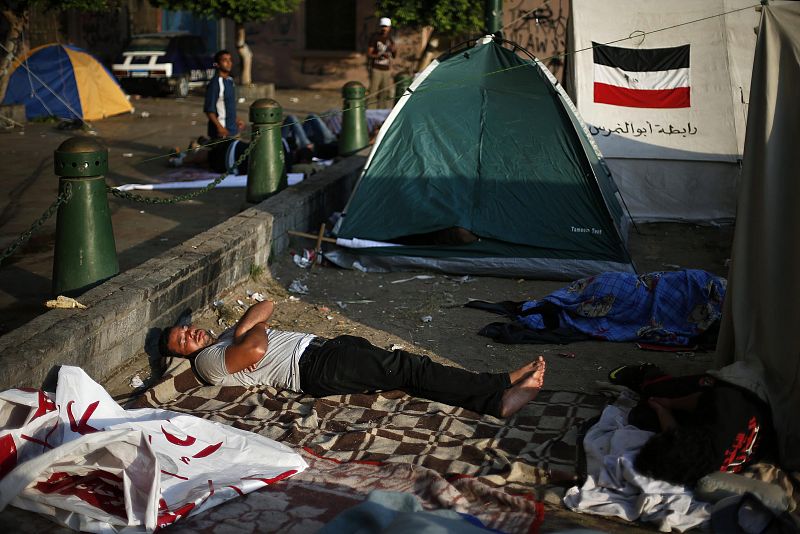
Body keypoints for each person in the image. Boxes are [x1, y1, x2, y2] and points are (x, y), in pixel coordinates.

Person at [160, 300, 547, 418]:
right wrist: (248, 331)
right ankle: (499, 386)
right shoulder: (208, 362)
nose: (191, 334)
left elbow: (267, 305)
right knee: (411, 367)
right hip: (313, 368)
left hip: (325, 351)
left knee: (408, 375)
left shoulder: (225, 337)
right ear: (183, 355)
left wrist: (245, 327)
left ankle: (493, 403)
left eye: (186, 328)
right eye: (183, 341)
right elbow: (256, 349)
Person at [608, 363, 776, 486]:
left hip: (732, 407)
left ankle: (650, 377)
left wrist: (662, 409)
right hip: (744, 392)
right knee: (656, 395)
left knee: (642, 416)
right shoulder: (723, 407)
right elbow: (700, 398)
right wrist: (668, 404)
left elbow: (674, 435)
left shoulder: (705, 467)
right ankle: (650, 377)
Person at [204, 50, 245, 140]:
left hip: (234, 131)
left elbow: (227, 107)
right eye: (225, 60)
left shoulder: (230, 81)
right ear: (218, 64)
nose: (229, 63)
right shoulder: (215, 83)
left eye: (230, 60)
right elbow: (209, 110)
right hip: (222, 133)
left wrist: (237, 120)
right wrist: (219, 127)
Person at [367, 17, 397, 110]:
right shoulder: (375, 37)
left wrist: (394, 50)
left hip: (386, 69)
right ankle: (370, 112)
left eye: (386, 26)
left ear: (389, 28)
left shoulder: (390, 39)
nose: (384, 28)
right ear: (380, 27)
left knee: (384, 92)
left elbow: (394, 55)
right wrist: (378, 55)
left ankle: (382, 112)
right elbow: (369, 53)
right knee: (373, 91)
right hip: (376, 68)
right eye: (383, 26)